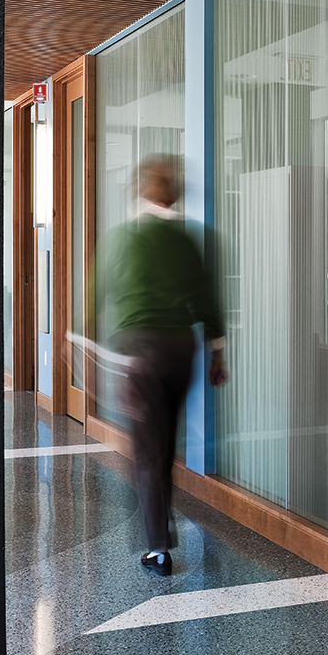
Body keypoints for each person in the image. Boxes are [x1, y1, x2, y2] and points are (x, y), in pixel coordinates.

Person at [96, 154, 227, 577]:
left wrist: (72, 337)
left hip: (141, 352)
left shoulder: (125, 238)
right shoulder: (190, 239)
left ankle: (158, 549)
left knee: (148, 453)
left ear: (140, 189)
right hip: (181, 351)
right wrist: (217, 354)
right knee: (164, 444)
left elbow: (99, 291)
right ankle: (161, 530)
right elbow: (207, 302)